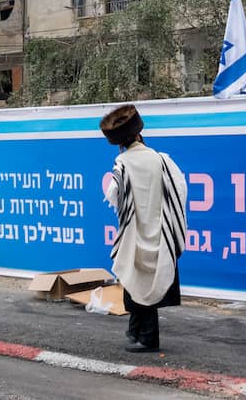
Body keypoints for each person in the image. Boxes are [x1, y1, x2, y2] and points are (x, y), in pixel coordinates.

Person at [100, 104, 187, 353]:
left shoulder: (123, 163)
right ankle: (136, 330)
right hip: (160, 231)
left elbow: (113, 194)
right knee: (146, 281)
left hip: (135, 231)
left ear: (121, 142)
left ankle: (148, 338)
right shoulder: (161, 160)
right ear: (139, 134)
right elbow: (179, 188)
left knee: (136, 280)